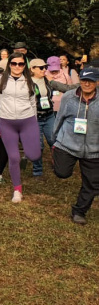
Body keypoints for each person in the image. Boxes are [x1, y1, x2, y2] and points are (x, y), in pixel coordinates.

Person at [0, 52, 42, 202]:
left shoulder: (29, 80)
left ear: (25, 66)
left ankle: (27, 156)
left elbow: (33, 104)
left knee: (34, 155)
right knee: (13, 157)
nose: (17, 66)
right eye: (14, 63)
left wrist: (34, 124)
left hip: (28, 121)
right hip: (7, 122)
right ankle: (17, 190)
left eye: (21, 64)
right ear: (9, 64)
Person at [51, 67, 99, 224]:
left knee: (92, 184)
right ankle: (57, 158)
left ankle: (79, 211)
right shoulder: (69, 97)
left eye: (90, 81)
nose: (86, 84)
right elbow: (59, 118)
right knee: (62, 173)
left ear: (97, 82)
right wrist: (55, 139)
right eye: (84, 80)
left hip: (93, 150)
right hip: (67, 145)